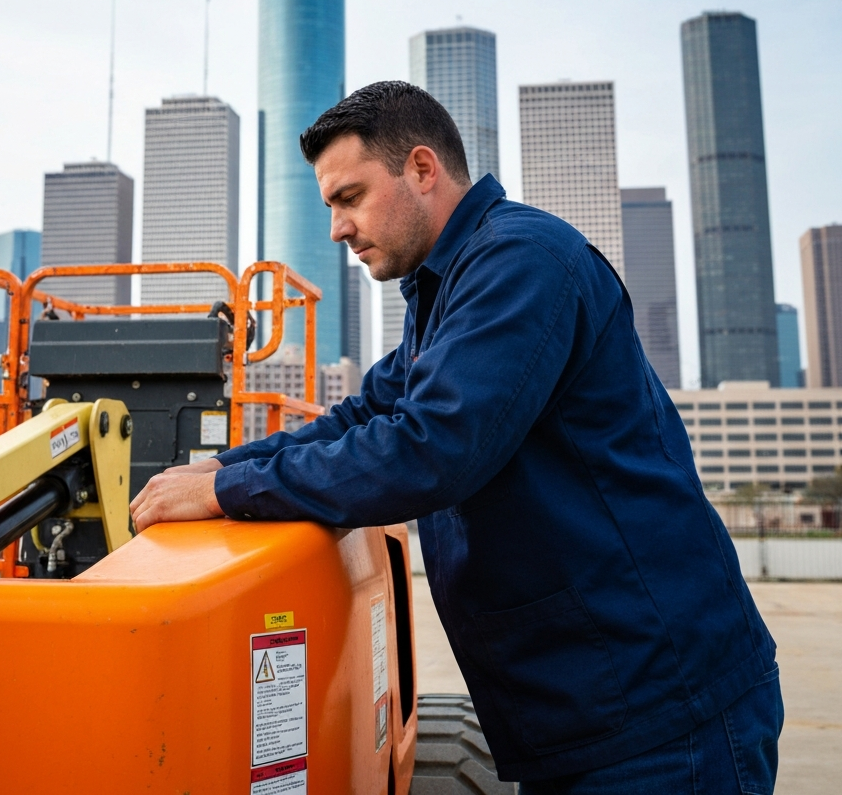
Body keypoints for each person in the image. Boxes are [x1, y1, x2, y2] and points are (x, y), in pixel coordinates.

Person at [130, 80, 782, 793]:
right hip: (589, 712)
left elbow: (430, 448)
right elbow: (362, 416)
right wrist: (216, 469)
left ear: (420, 168)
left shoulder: (521, 262)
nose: (336, 230)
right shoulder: (446, 292)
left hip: (659, 717)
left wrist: (229, 490)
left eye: (349, 198)